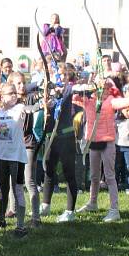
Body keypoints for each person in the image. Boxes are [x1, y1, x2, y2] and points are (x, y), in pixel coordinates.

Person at [76, 77, 129, 221]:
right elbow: (74, 96)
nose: (103, 91)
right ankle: (92, 202)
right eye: (100, 88)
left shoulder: (110, 101)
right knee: (94, 176)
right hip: (94, 142)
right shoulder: (89, 101)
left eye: (106, 88)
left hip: (107, 142)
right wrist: (85, 86)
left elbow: (126, 101)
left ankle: (114, 210)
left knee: (109, 176)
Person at [0, 82, 33, 237]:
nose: (13, 95)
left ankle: (21, 226)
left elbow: (28, 109)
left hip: (16, 157)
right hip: (0, 155)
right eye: (9, 93)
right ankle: (1, 219)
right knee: (3, 190)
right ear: (2, 95)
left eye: (14, 92)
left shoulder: (19, 108)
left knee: (17, 189)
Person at [40, 64, 81, 222]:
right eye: (59, 75)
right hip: (52, 136)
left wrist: (60, 91)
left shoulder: (69, 89)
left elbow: (78, 88)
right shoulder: (50, 91)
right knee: (49, 170)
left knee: (69, 173)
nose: (62, 77)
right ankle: (45, 205)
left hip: (66, 137)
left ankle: (70, 211)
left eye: (65, 75)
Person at [115, 104, 129, 195]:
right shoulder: (117, 121)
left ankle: (128, 186)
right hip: (118, 146)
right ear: (121, 111)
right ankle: (115, 185)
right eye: (126, 110)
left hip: (128, 147)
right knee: (117, 166)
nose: (128, 113)